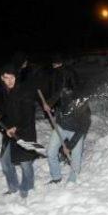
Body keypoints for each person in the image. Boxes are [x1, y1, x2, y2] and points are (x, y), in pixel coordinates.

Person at [0, 64, 39, 198]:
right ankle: (13, 186)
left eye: (12, 77)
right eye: (6, 78)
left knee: (25, 163)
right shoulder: (2, 92)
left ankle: (28, 187)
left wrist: (16, 127)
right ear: (2, 78)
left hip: (24, 130)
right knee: (5, 162)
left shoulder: (25, 91)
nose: (10, 81)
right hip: (8, 132)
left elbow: (28, 115)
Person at [42, 54, 91, 184]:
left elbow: (83, 128)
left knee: (75, 158)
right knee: (51, 152)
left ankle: (72, 181)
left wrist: (69, 146)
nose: (64, 93)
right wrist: (49, 104)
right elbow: (57, 95)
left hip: (76, 131)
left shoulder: (82, 104)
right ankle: (56, 177)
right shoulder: (63, 93)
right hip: (61, 126)